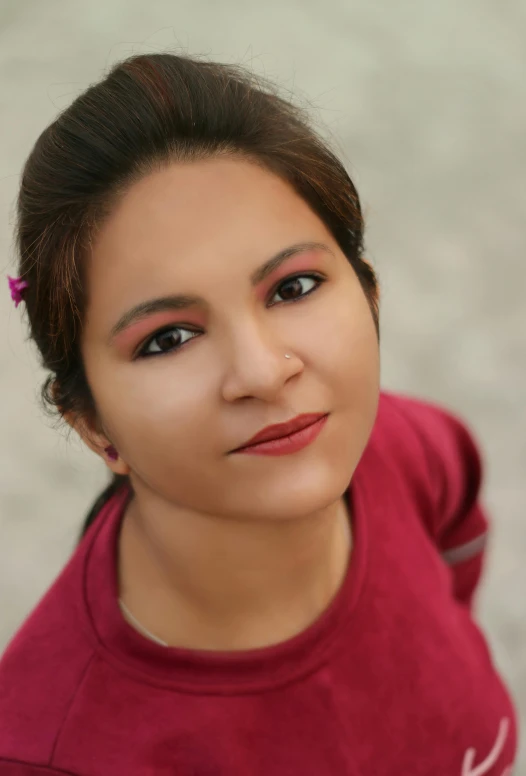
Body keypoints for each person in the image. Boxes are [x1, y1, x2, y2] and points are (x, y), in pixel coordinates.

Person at [0, 52, 517, 775]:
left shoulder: (414, 449)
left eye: (293, 286)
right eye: (168, 338)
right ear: (93, 425)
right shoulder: (55, 751)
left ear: (368, 294)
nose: (262, 372)